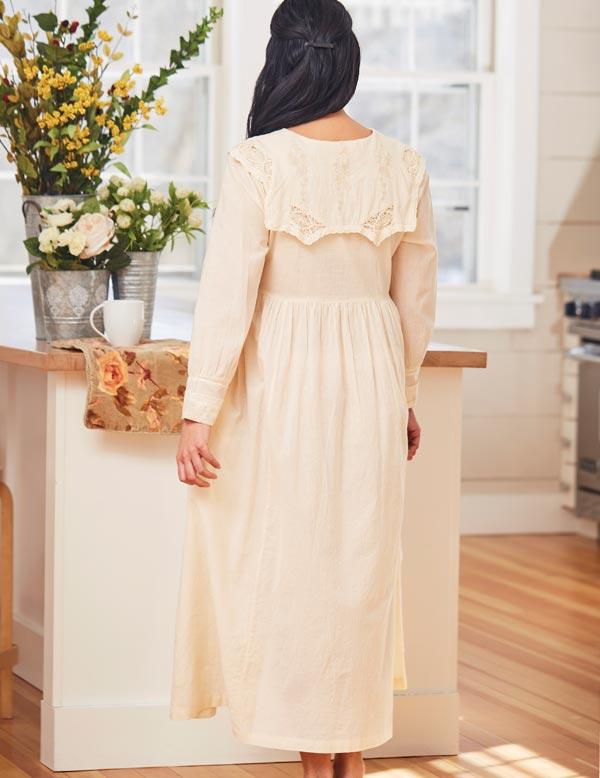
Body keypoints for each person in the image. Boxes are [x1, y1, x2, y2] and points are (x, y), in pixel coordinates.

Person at [169, 1, 438, 776]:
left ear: (282, 60)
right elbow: (415, 301)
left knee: (291, 569)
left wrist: (198, 412)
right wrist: (404, 391)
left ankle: (319, 765)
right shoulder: (404, 165)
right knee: (358, 570)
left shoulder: (259, 163)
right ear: (346, 59)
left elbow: (227, 297)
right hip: (372, 374)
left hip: (281, 381)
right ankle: (347, 757)